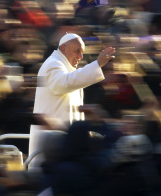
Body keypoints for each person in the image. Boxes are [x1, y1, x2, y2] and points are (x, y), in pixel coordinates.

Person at [28, 33, 116, 168]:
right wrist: (97, 64)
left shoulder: (64, 66)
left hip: (62, 139)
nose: (80, 57)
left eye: (82, 53)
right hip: (52, 141)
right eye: (77, 51)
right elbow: (63, 84)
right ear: (63, 49)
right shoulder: (52, 64)